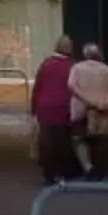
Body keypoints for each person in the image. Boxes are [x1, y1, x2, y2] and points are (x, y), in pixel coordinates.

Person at [70, 40, 108, 179]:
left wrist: (87, 100)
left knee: (79, 139)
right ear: (99, 55)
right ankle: (100, 169)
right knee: (103, 139)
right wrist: (107, 102)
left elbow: (71, 85)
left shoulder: (77, 68)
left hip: (83, 109)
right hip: (104, 111)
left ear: (85, 55)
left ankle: (88, 167)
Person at [31, 35, 81, 185]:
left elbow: (38, 87)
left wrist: (33, 108)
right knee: (63, 140)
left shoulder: (46, 64)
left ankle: (49, 173)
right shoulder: (73, 66)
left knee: (47, 141)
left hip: (45, 106)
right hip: (64, 106)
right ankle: (65, 172)